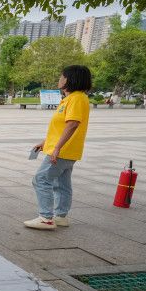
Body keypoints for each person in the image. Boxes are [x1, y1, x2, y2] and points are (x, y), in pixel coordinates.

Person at [24, 65, 92, 230]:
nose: (59, 79)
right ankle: (60, 216)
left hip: (62, 151)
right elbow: (61, 127)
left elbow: (72, 124)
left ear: (71, 79)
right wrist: (45, 142)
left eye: (62, 76)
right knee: (61, 183)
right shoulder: (72, 98)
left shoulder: (76, 98)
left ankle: (46, 218)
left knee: (41, 179)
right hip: (66, 150)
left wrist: (57, 148)